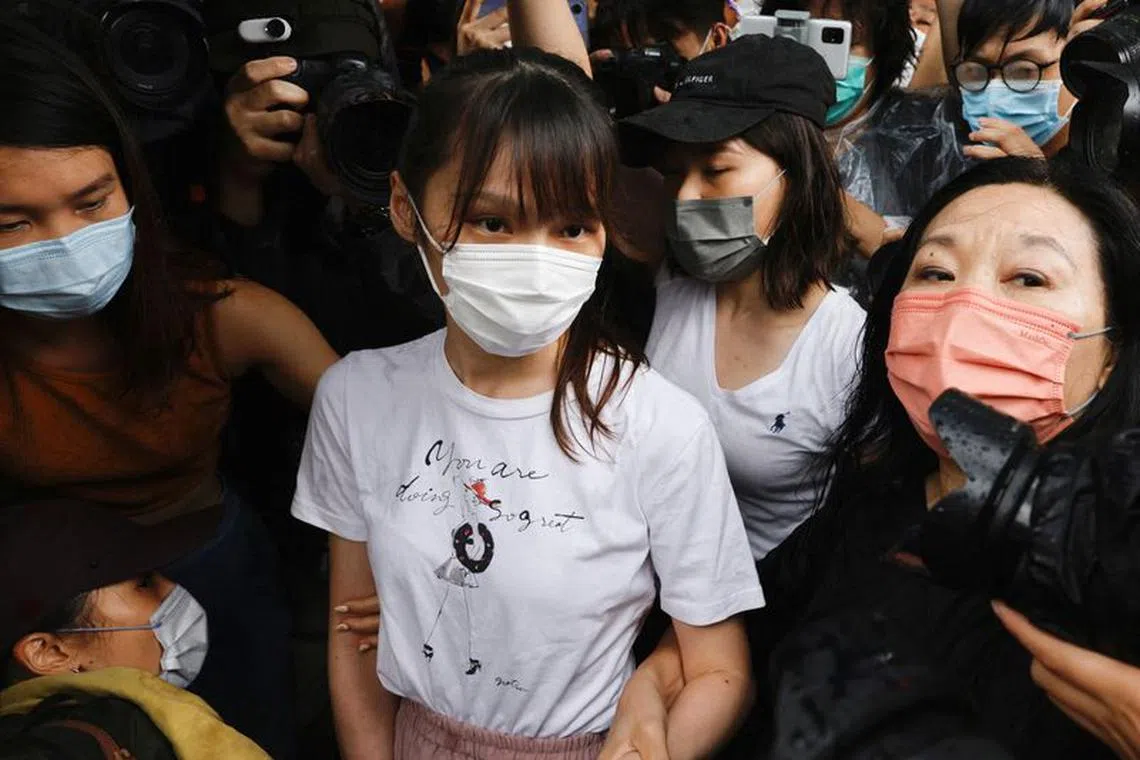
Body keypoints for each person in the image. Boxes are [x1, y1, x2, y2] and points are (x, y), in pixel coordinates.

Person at [291, 42, 763, 759]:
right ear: (404, 207)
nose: (535, 255)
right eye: (491, 221)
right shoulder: (355, 398)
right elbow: (354, 632)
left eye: (571, 226)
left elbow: (720, 669)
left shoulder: (658, 425)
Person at [615, 156, 1140, 758]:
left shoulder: (1118, 571)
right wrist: (653, 685)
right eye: (936, 272)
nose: (961, 313)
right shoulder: (865, 511)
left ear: (1112, 351)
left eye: (1029, 279)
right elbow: (741, 627)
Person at [0, 19, 338, 758]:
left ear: (129, 185)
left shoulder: (224, 316)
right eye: (14, 222)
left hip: (214, 565)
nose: (63, 241)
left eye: (90, 203)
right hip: (58, 605)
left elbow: (389, 439)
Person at [618, 34, 864, 562]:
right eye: (674, 172)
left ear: (796, 177)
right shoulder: (664, 290)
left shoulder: (848, 346)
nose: (685, 196)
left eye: (715, 171)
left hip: (772, 613)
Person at [0, 500, 269, 760]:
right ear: (51, 653)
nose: (173, 590)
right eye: (144, 584)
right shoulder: (71, 744)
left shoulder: (149, 716)